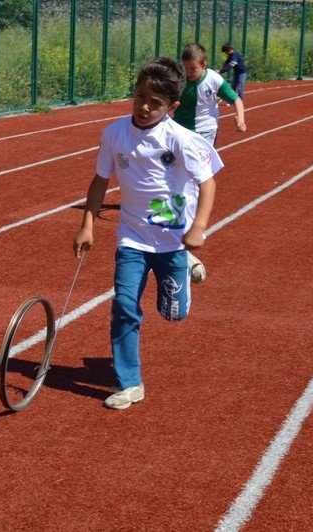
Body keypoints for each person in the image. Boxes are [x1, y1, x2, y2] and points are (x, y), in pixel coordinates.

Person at [72, 57, 223, 410]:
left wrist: (199, 227)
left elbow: (208, 183)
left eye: (154, 102)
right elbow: (100, 181)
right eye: (139, 95)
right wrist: (87, 225)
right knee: (124, 305)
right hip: (132, 238)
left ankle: (185, 263)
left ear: (171, 107)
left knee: (173, 315)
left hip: (172, 239)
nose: (143, 106)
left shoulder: (181, 140)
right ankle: (130, 383)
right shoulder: (114, 134)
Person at [175, 43, 246, 146]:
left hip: (206, 128)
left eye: (193, 68)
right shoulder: (179, 79)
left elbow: (236, 99)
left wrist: (241, 119)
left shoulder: (213, 78)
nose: (188, 72)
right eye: (185, 68)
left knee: (202, 160)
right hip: (181, 127)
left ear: (203, 65)